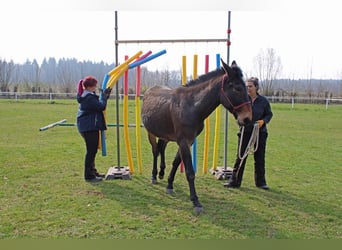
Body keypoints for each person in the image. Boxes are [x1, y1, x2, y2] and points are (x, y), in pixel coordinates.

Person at [225, 77, 273, 190]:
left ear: (256, 87)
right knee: (240, 157)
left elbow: (269, 114)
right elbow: (237, 113)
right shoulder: (243, 100)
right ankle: (234, 181)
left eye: (250, 86)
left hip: (259, 132)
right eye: (246, 86)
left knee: (260, 158)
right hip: (245, 132)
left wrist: (263, 121)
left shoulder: (263, 101)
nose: (248, 88)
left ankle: (261, 182)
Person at [76, 76, 111, 182]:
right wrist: (104, 97)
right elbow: (101, 106)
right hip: (89, 127)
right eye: (95, 85)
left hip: (88, 125)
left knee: (92, 150)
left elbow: (99, 104)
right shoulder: (88, 98)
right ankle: (89, 175)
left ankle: (93, 171)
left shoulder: (87, 95)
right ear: (90, 86)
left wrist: (104, 97)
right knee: (91, 151)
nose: (96, 87)